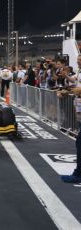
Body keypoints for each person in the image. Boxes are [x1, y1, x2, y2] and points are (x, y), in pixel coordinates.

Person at [61, 54, 81, 183]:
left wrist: (70, 91)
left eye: (80, 61)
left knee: (79, 142)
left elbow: (78, 89)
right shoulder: (79, 72)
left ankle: (78, 174)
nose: (78, 63)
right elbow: (75, 83)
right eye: (78, 60)